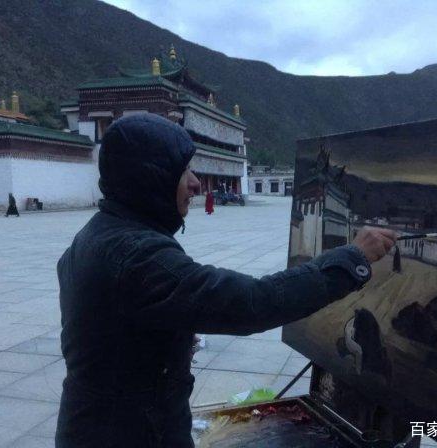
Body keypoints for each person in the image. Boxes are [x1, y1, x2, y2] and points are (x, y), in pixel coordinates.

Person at [55, 114, 396, 448]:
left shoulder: (100, 234)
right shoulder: (137, 256)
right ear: (151, 176)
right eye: (183, 171)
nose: (195, 183)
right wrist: (352, 259)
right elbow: (254, 302)